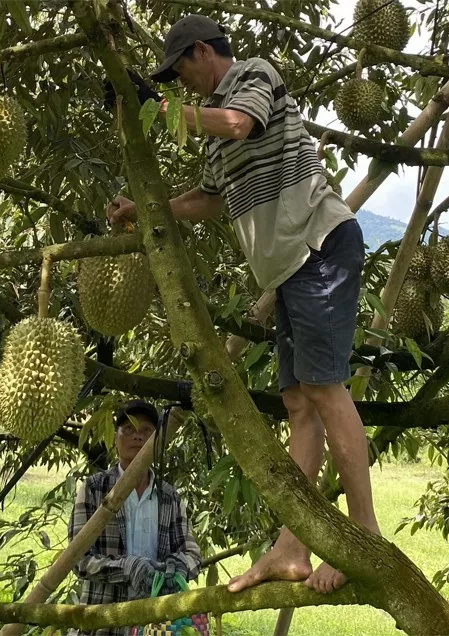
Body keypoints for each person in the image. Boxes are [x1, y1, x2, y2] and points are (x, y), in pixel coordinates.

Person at [106, 14, 381, 595]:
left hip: (319, 247)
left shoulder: (254, 75)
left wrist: (158, 110)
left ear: (203, 51)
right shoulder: (210, 129)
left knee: (328, 393)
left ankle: (365, 539)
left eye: (181, 71)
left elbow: (238, 122)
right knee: (299, 405)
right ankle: (291, 545)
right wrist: (144, 209)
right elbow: (208, 199)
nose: (183, 87)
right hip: (288, 272)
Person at [67, 400, 202, 636]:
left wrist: (174, 568)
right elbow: (78, 560)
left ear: (157, 442)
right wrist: (127, 567)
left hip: (155, 624)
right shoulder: (94, 490)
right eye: (128, 429)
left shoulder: (168, 496)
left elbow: (191, 553)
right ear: (115, 439)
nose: (137, 437)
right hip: (101, 621)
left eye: (146, 431)